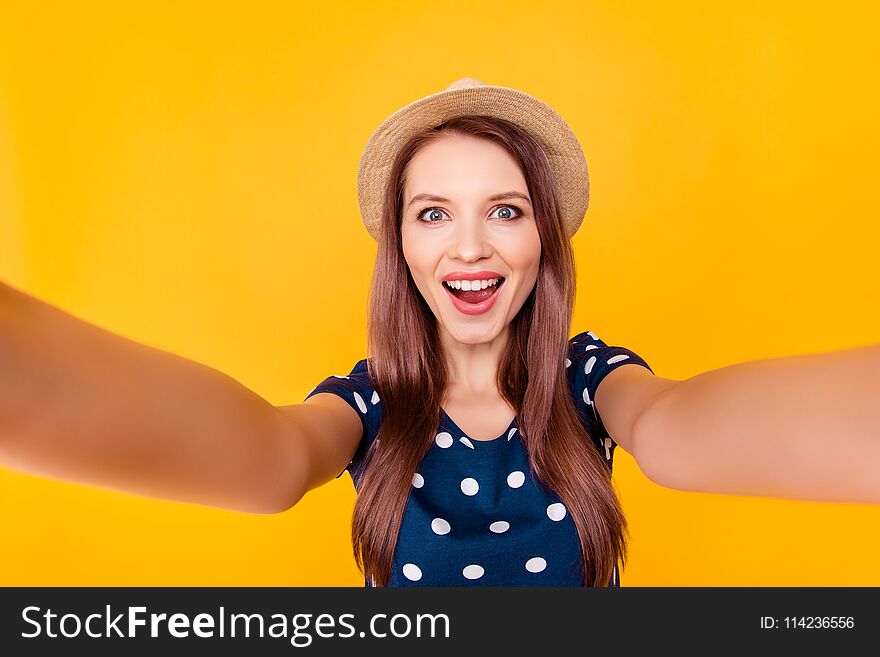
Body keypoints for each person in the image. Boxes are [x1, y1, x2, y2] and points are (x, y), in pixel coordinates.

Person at [0, 78, 877, 589]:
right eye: (432, 213)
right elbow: (266, 455)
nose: (469, 245)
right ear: (402, 245)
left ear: (543, 241)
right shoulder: (371, 401)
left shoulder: (588, 380)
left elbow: (678, 429)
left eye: (505, 209)